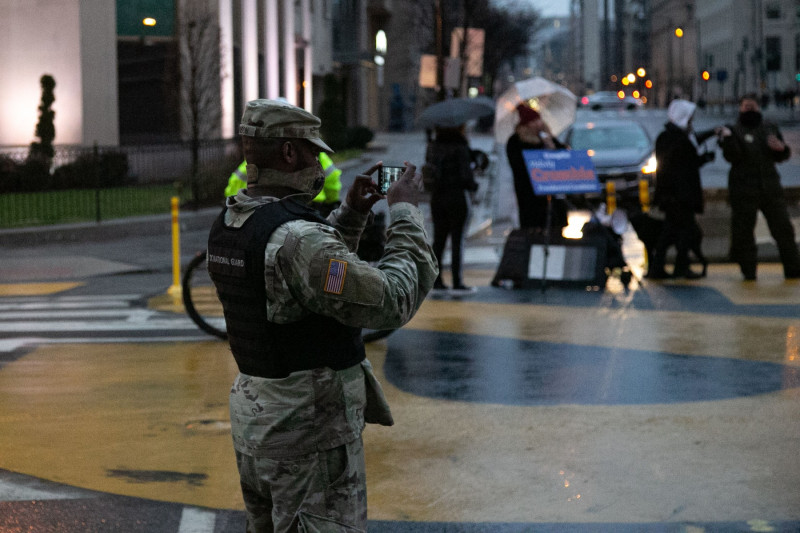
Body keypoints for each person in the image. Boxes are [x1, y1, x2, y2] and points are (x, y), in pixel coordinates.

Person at [207, 99, 437, 532]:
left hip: (262, 429)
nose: (320, 161)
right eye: (313, 151)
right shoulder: (298, 240)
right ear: (289, 153)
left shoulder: (234, 221)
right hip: (308, 439)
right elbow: (393, 297)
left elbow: (310, 286)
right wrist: (405, 211)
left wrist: (350, 216)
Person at [718, 93, 800, 280]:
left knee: (783, 229)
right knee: (744, 233)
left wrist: (782, 149)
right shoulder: (733, 130)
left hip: (770, 187)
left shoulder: (769, 128)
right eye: (746, 107)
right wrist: (729, 139)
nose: (749, 110)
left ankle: (793, 268)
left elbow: (781, 155)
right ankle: (749, 270)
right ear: (740, 109)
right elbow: (732, 157)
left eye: (752, 107)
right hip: (743, 189)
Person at [648, 99, 717, 279]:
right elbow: (683, 164)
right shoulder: (676, 138)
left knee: (671, 231)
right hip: (679, 196)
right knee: (684, 231)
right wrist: (701, 157)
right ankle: (678, 266)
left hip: (674, 195)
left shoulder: (669, 137)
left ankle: (659, 266)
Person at [425, 124, 479, 293]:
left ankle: (436, 281)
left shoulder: (432, 146)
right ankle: (457, 281)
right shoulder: (461, 147)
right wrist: (474, 183)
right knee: (457, 240)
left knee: (438, 240)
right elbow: (466, 177)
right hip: (457, 197)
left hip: (437, 197)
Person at [506, 103, 568, 232]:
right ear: (526, 125)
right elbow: (519, 167)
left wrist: (552, 147)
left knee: (556, 230)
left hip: (554, 196)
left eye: (538, 119)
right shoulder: (516, 142)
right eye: (533, 121)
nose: (538, 124)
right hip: (530, 197)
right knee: (534, 231)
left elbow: (564, 160)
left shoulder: (547, 138)